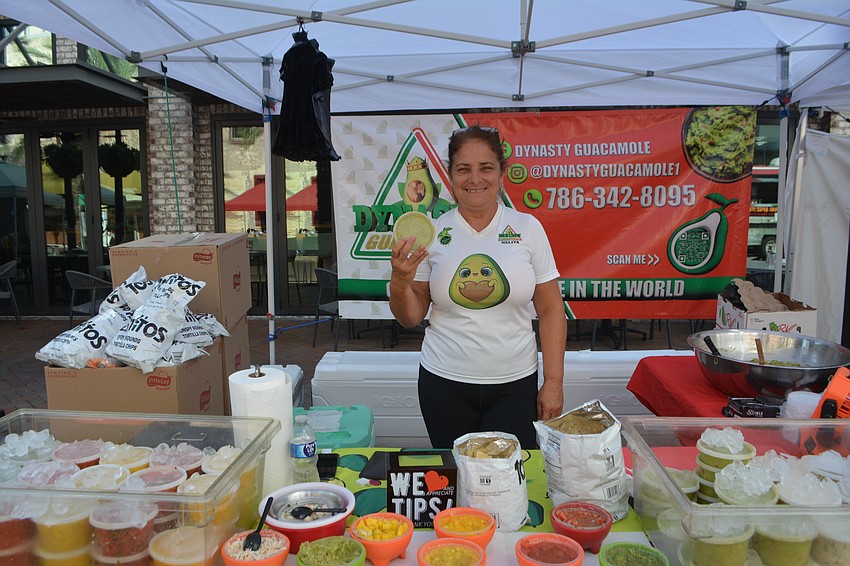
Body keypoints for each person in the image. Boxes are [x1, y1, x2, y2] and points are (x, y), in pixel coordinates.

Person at [389, 125, 567, 448]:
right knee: (457, 483)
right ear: (450, 174)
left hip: (515, 385)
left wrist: (553, 382)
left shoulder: (527, 228)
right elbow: (410, 316)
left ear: (502, 173)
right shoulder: (433, 233)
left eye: (486, 167)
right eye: (463, 169)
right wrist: (400, 282)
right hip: (443, 383)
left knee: (507, 484)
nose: (475, 179)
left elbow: (552, 309)